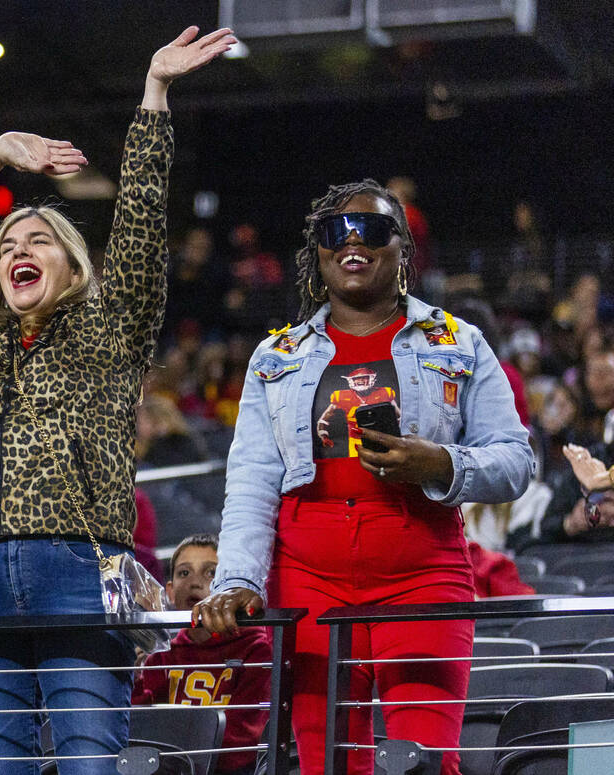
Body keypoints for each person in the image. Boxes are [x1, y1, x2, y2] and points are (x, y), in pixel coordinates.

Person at [0, 26, 238, 774]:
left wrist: (153, 94)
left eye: (39, 239)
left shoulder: (111, 322)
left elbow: (142, 226)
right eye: (8, 245)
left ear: (75, 264)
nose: (19, 248)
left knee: (91, 761)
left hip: (81, 567)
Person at [192, 180, 535, 775]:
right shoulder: (276, 356)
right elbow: (250, 478)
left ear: (402, 248)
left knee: (426, 764)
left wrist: (441, 464)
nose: (352, 241)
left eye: (372, 229)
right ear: (318, 253)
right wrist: (238, 578)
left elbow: (515, 461)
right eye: (335, 232)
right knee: (329, 766)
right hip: (307, 582)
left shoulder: (458, 341)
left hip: (423, 575)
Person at [132, 535, 269, 775]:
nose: (195, 583)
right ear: (171, 592)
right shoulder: (160, 655)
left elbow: (245, 741)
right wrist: (134, 678)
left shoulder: (256, 649)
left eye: (211, 573)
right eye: (184, 573)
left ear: (228, 588)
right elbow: (141, 730)